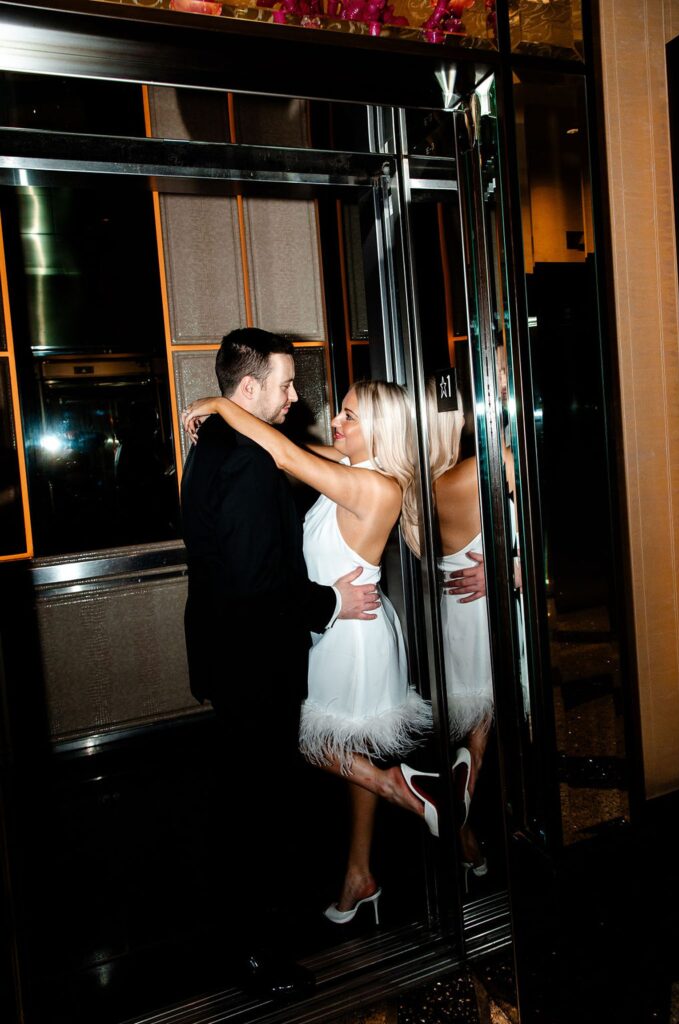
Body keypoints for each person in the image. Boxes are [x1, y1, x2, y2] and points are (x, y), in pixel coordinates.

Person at [183, 378, 436, 931]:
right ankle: (361, 872)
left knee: (306, 741)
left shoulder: (374, 488)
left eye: (348, 416)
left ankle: (404, 790)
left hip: (351, 636)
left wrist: (221, 405)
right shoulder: (355, 475)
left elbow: (283, 452)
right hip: (338, 624)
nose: (335, 422)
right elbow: (303, 451)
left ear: (381, 429)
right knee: (346, 745)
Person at [180, 327, 381, 1000]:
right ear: (248, 389)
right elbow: (253, 580)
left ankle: (241, 939)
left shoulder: (216, 446)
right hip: (253, 659)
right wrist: (330, 601)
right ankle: (256, 957)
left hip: (225, 652)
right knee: (259, 810)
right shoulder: (245, 462)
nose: (296, 397)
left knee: (242, 799)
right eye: (286, 384)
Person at [402, 378, 493, 885]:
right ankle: (460, 822)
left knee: (476, 723)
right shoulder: (476, 471)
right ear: (458, 419)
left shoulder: (420, 486)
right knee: (481, 730)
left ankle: (462, 823)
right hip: (479, 610)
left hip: (453, 610)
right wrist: (506, 571)